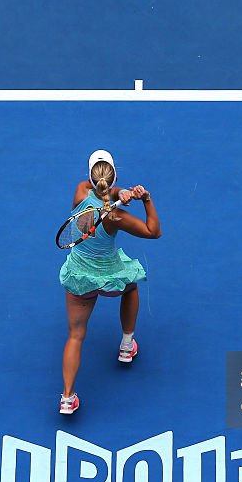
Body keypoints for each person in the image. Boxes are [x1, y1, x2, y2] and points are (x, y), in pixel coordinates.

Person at [59, 150, 161, 415]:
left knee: (75, 336)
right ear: (114, 176)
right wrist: (145, 199)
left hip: (79, 277)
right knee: (131, 286)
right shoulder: (116, 218)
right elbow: (154, 232)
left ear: (91, 178)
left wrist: (122, 193)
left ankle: (67, 398)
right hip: (108, 279)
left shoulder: (80, 192)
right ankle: (127, 346)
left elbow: (105, 192)